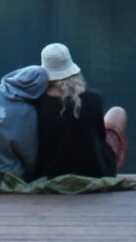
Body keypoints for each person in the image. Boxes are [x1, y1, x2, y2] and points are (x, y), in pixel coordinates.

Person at [31, 42, 128, 177]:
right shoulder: (94, 99)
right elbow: (100, 138)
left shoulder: (36, 103)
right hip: (96, 173)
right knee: (117, 112)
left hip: (48, 174)